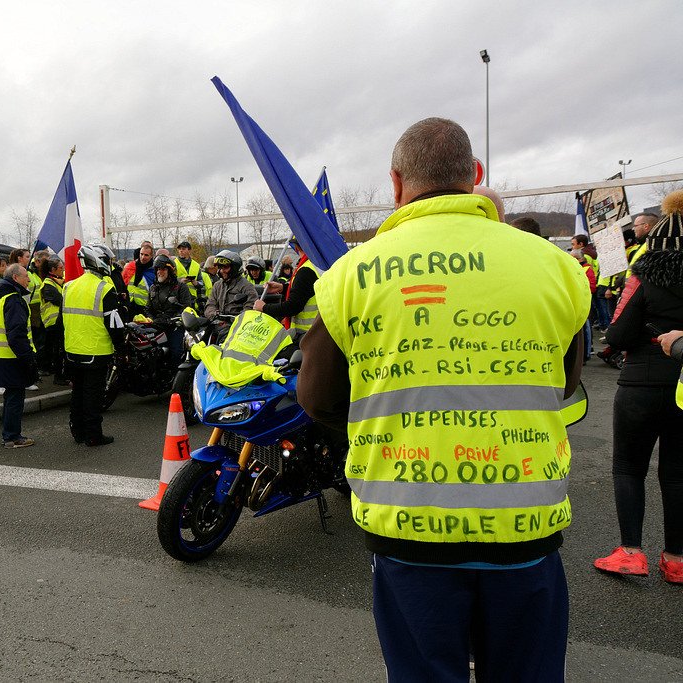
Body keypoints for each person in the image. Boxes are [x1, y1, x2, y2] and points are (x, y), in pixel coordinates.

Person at [297, 117, 590, 680]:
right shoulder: (555, 267)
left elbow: (318, 399)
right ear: (475, 175)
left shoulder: (350, 275)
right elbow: (564, 383)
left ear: (396, 183)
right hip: (523, 528)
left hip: (409, 529)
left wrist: (382, 432)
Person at [594, 190, 683, 585]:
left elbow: (617, 331)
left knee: (629, 466)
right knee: (678, 472)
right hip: (681, 385)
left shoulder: (643, 276)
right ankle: (676, 557)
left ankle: (630, 552)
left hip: (641, 381)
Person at [64, 245, 125, 447]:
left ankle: (78, 431)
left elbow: (60, 321)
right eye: (106, 260)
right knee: (93, 396)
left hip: (72, 350)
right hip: (95, 352)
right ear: (97, 261)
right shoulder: (104, 289)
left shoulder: (69, 286)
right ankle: (93, 435)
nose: (109, 264)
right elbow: (114, 325)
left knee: (78, 394)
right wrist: (121, 349)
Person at [0, 264, 38, 448]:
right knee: (15, 397)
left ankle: (9, 434)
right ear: (15, 277)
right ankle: (12, 437)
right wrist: (28, 357)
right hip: (12, 356)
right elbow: (17, 334)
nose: (29, 279)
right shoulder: (13, 299)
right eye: (25, 276)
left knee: (10, 397)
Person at [255, 239, 322, 334]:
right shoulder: (315, 266)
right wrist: (283, 287)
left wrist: (264, 307)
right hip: (316, 331)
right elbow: (306, 291)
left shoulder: (305, 270)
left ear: (296, 247)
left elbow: (292, 307)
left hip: (306, 335)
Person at [147, 253, 194, 365]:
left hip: (175, 327)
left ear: (170, 271)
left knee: (176, 352)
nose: (160, 272)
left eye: (163, 269)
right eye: (158, 269)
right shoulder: (153, 288)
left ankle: (176, 378)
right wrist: (152, 319)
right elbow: (147, 308)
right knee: (152, 353)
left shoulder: (181, 287)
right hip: (157, 327)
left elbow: (186, 307)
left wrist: (170, 320)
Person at [204, 250, 257, 339]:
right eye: (220, 268)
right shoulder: (217, 285)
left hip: (238, 330)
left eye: (225, 268)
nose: (222, 271)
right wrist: (214, 315)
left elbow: (250, 308)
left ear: (234, 268)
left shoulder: (247, 286)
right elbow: (210, 304)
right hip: (217, 325)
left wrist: (235, 320)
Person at [40, 258, 68, 385]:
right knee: (58, 350)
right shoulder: (48, 284)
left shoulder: (57, 283)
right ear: (53, 270)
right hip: (53, 322)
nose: (63, 270)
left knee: (58, 349)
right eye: (61, 268)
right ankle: (58, 376)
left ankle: (58, 373)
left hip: (59, 321)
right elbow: (60, 300)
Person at [123, 243, 156, 314]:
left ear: (151, 256)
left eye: (146, 255)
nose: (143, 257)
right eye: (141, 254)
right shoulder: (131, 267)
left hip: (145, 309)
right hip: (129, 306)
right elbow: (123, 284)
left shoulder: (154, 271)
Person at [173, 241, 205, 305]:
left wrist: (196, 283)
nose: (181, 251)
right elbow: (168, 281)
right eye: (179, 249)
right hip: (177, 298)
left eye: (183, 249)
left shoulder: (196, 265)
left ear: (189, 251)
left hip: (192, 300)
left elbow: (201, 283)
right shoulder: (173, 263)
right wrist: (180, 281)